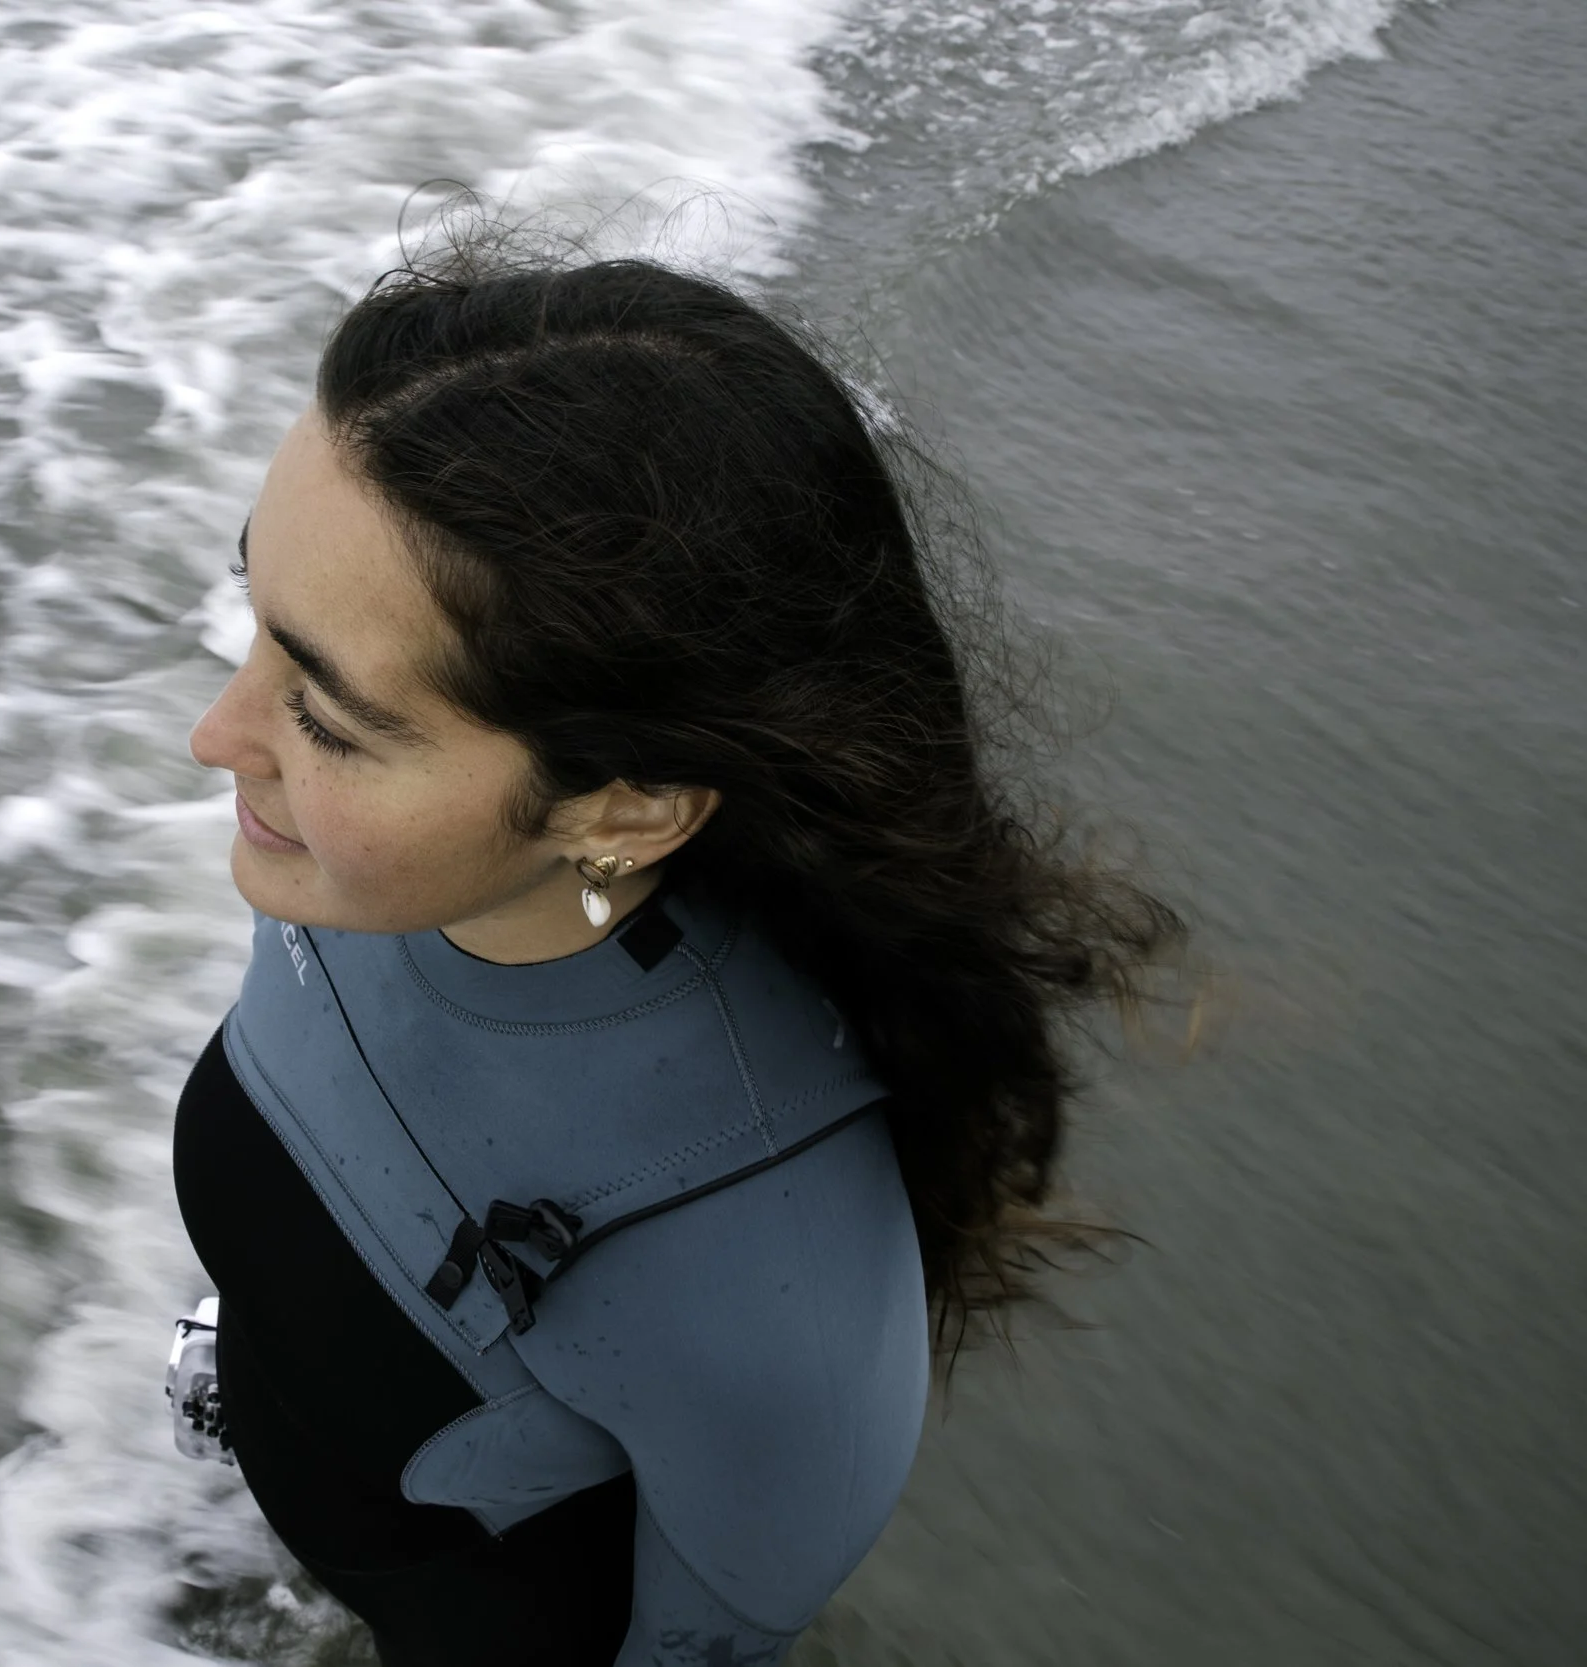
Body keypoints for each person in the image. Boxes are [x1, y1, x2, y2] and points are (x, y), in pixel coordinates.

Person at [171, 240, 1185, 1666]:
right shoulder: (368, 863)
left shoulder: (776, 1281)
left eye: (326, 715)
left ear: (622, 808)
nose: (217, 734)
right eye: (258, 625)